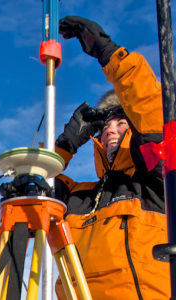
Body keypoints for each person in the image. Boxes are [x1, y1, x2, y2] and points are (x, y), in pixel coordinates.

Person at [52, 16, 170, 299]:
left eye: (121, 123)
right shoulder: (78, 197)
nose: (111, 131)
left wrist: (108, 53)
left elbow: (151, 116)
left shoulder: (158, 183)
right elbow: (31, 186)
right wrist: (66, 145)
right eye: (104, 127)